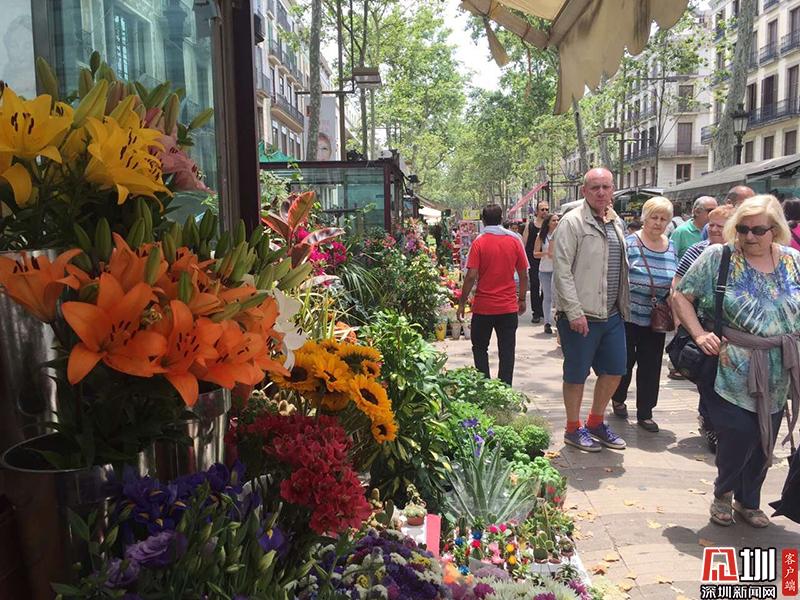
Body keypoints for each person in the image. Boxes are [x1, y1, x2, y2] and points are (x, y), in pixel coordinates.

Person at [673, 195, 800, 528]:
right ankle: (723, 492)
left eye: (758, 230)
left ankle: (748, 500)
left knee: (764, 439)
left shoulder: (793, 260)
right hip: (730, 364)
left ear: (775, 230)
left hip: (779, 368)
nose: (749, 236)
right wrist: (700, 334)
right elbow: (681, 295)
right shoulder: (719, 256)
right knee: (739, 433)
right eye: (742, 229)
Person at [553, 167, 629, 452]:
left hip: (612, 313)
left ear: (612, 190)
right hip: (581, 314)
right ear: (584, 191)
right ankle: (573, 428)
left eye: (606, 187)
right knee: (576, 374)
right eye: (595, 187)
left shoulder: (616, 221)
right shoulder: (572, 222)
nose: (600, 192)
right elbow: (562, 270)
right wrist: (573, 311)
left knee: (615, 370)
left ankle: (596, 422)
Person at [611, 197, 678, 432]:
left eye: (664, 219)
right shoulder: (629, 243)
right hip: (628, 315)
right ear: (644, 218)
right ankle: (618, 398)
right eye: (654, 217)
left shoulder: (671, 246)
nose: (658, 223)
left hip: (656, 318)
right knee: (624, 362)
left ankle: (646, 412)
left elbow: (676, 280)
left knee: (651, 366)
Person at [671, 204, 735, 449]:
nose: (714, 229)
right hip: (706, 330)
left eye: (720, 226)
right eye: (711, 224)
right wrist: (686, 325)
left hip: (736, 341)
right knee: (708, 381)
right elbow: (678, 287)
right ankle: (711, 426)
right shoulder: (700, 251)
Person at [457, 204, 529, 385]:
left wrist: (462, 302)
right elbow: (523, 274)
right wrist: (521, 299)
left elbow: (471, 276)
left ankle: (484, 387)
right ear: (501, 219)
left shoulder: (479, 243)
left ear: (483, 220)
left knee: (480, 348)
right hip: (508, 307)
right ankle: (504, 388)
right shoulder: (514, 241)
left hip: (484, 307)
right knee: (507, 351)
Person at [522, 201, 549, 323]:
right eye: (542, 209)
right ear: (537, 211)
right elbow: (524, 243)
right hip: (533, 259)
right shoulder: (530, 225)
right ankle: (536, 312)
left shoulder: (550, 225)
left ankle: (542, 309)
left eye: (546, 209)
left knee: (546, 285)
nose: (545, 212)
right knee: (535, 284)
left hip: (547, 259)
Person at [533, 213, 560, 335]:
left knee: (557, 296)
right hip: (544, 270)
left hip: (557, 269)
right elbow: (535, 253)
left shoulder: (561, 234)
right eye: (553, 220)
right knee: (547, 297)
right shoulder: (541, 236)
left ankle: (558, 321)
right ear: (548, 223)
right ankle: (547, 323)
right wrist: (546, 254)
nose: (556, 222)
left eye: (557, 220)